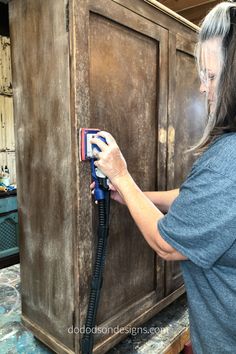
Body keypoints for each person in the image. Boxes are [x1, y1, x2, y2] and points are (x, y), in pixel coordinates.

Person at [90, 1, 236, 353]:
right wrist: (134, 193)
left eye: (211, 76)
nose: (203, 88)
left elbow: (167, 245)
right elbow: (192, 200)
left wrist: (121, 175)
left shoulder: (228, 160)